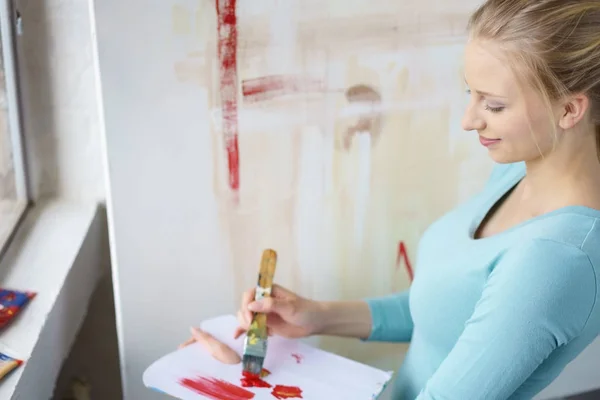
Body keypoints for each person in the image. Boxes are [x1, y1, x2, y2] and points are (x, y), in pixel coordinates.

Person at [187, 0, 600, 398]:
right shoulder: (519, 168)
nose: (468, 120)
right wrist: (316, 316)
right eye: (470, 93)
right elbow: (445, 312)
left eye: (493, 105)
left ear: (569, 109)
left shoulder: (556, 260)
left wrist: (238, 385)